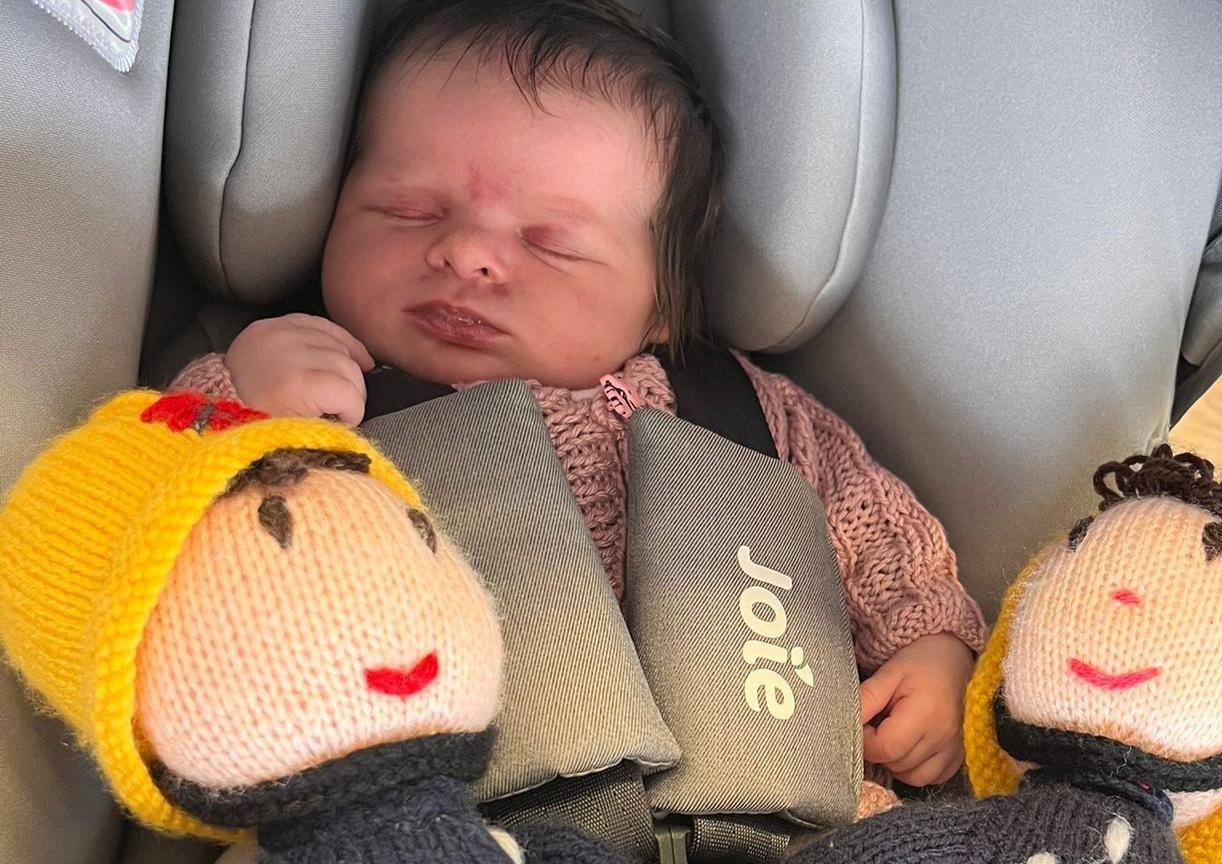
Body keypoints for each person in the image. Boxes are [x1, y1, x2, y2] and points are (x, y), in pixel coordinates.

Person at [171, 0, 986, 809]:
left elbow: (879, 538)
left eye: (550, 242)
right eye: (408, 210)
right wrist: (235, 400)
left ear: (663, 301)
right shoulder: (310, 400)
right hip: (447, 823)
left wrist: (936, 653)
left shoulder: (738, 410)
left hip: (800, 812)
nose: (467, 252)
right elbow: (154, 542)